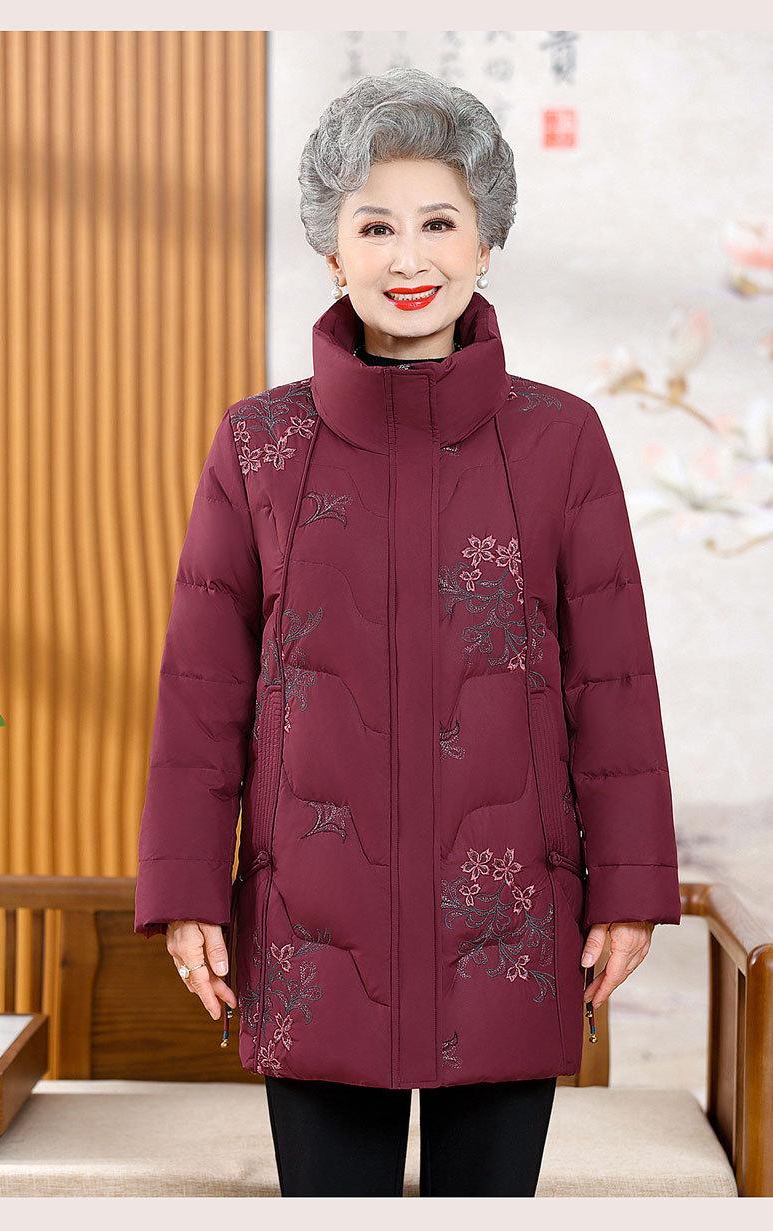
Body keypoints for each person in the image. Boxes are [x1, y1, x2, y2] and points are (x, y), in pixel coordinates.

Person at [134, 66, 682, 1197]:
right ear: (331, 249)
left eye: (439, 221)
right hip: (310, 930)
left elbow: (613, 684)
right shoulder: (260, 444)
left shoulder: (561, 440)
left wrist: (630, 889)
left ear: (486, 239)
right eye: (374, 225)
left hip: (510, 929)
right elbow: (202, 687)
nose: (408, 256)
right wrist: (186, 888)